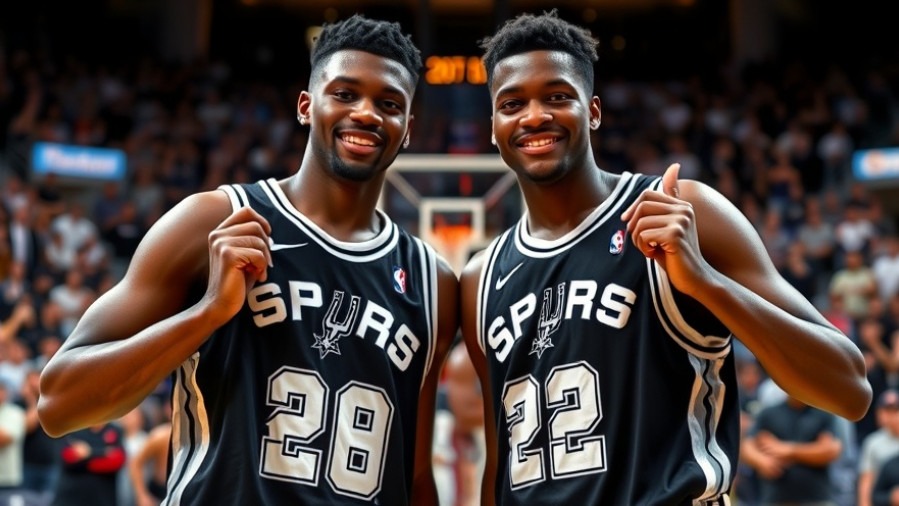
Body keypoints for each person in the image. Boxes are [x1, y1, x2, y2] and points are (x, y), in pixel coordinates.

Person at [38, 14, 458, 505]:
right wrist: (208, 312)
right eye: (344, 93)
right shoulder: (213, 220)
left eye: (388, 104)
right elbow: (58, 404)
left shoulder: (434, 284)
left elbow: (413, 478)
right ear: (306, 105)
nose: (365, 113)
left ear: (407, 129)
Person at [458, 10, 871, 505]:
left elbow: (849, 390)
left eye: (557, 97)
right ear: (493, 126)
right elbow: (500, 466)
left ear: (593, 111)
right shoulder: (480, 277)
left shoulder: (683, 210)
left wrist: (704, 282)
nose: (534, 115)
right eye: (513, 103)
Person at [740, 395, 842, 505]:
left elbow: (831, 450)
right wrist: (762, 461)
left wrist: (788, 450)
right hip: (776, 498)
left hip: (817, 498)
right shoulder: (769, 413)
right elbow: (746, 447)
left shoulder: (823, 414)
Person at [51, 422, 126, 506]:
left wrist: (89, 453)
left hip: (103, 498)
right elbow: (67, 457)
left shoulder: (114, 430)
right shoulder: (73, 427)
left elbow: (117, 461)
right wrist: (104, 453)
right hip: (70, 497)